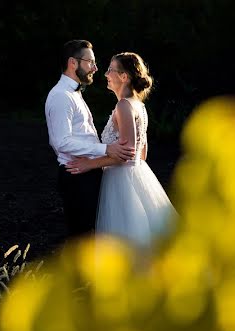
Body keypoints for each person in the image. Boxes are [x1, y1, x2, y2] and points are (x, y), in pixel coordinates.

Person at [66, 52, 177, 249]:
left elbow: (127, 154)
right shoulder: (139, 106)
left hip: (121, 182)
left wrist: (89, 164)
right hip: (139, 176)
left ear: (124, 77)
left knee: (125, 244)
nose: (106, 74)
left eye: (110, 70)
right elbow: (141, 154)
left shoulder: (124, 106)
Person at [45, 40, 135, 239]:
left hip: (86, 171)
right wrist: (105, 150)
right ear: (73, 63)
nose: (95, 68)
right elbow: (61, 142)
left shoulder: (73, 93)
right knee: (82, 239)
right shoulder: (61, 96)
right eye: (90, 62)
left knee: (91, 237)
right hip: (77, 175)